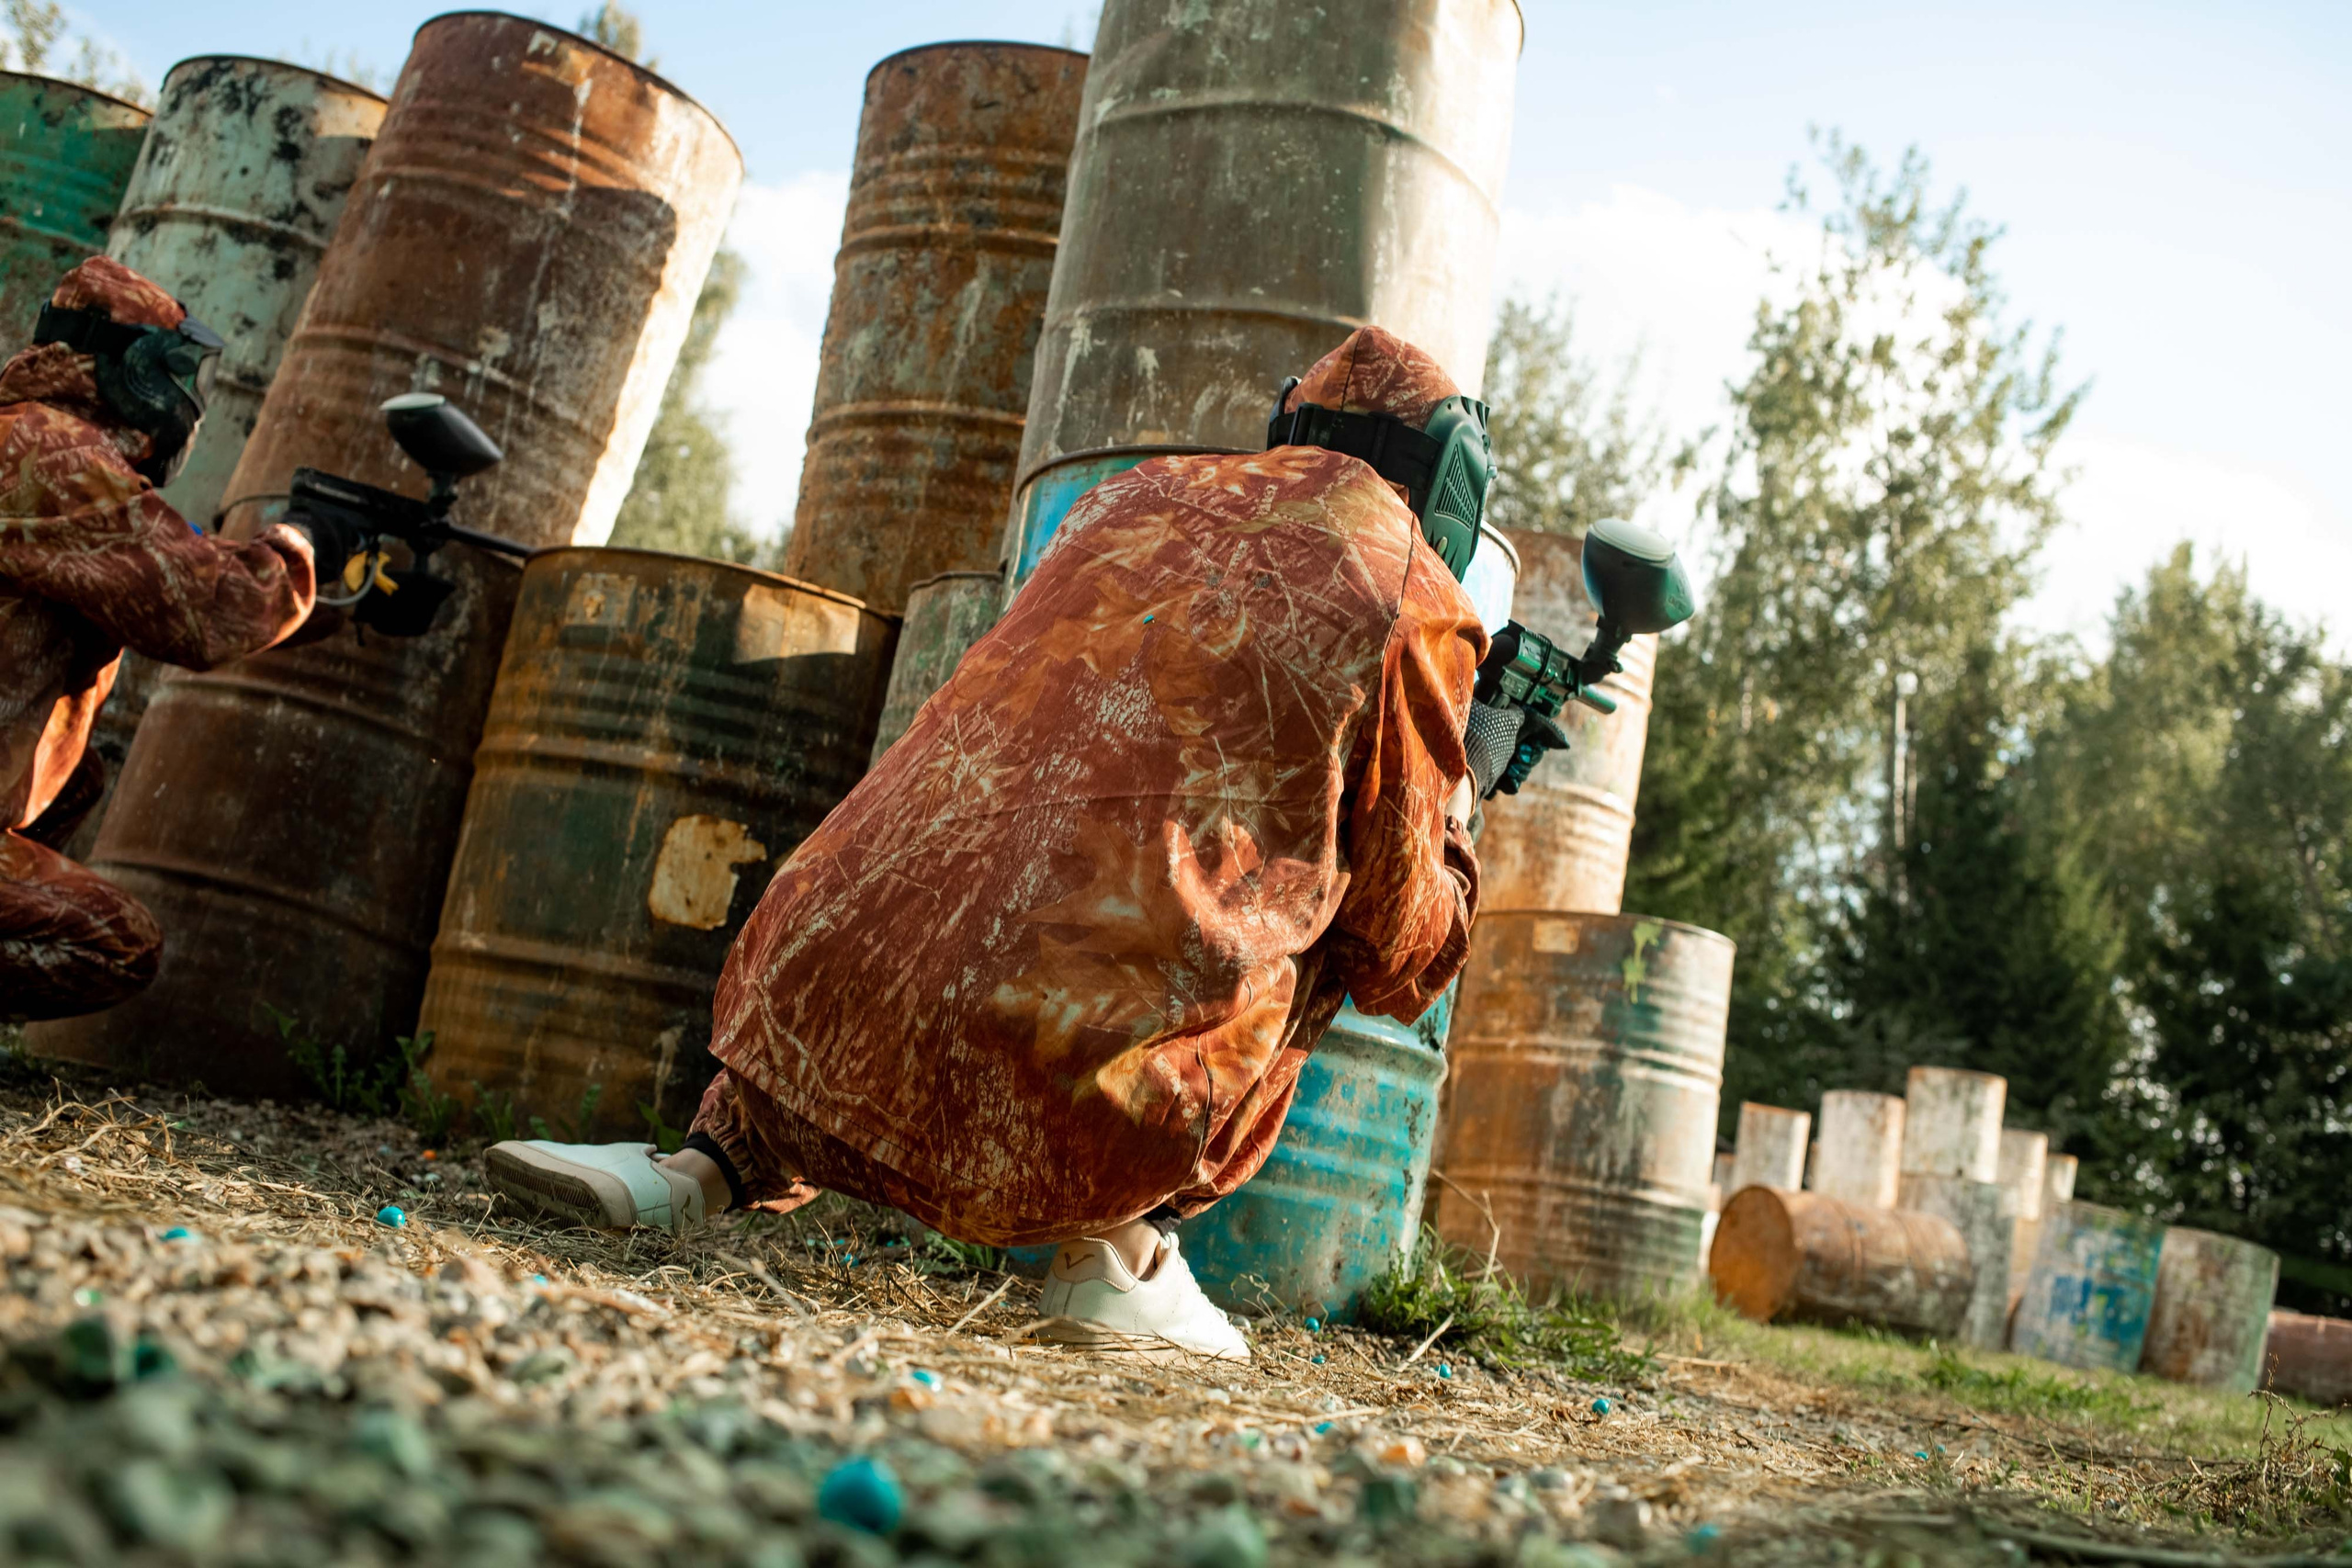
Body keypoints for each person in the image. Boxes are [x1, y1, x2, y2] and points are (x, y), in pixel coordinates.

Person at [485, 326, 1521, 1359]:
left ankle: (695, 1172)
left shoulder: (1129, 496)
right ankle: (1120, 1255)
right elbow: (1399, 943)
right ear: (1445, 479)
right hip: (1072, 1088)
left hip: (811, 1004)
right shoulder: (1416, 595)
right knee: (1338, 913)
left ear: (1289, 423)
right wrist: (1459, 798)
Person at [0, 256, 317, 1022]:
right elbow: (210, 611)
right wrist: (308, 549)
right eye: (170, 368)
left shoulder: (33, 441)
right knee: (114, 943)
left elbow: (174, 586)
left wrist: (310, 592)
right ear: (127, 370)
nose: (182, 397)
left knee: (73, 776)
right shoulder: (57, 456)